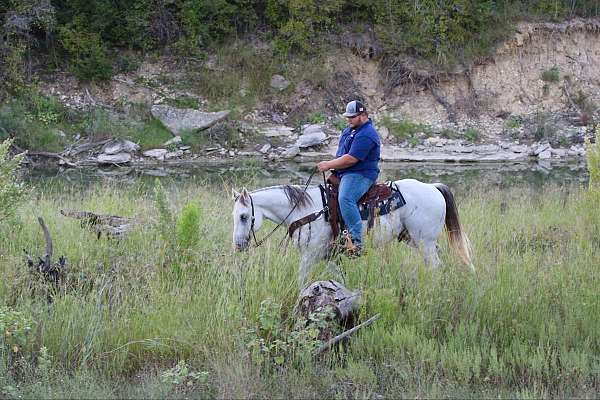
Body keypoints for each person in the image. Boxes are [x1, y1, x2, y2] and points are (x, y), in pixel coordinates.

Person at [317, 100, 381, 253]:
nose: (349, 120)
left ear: (363, 115)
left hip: (360, 173)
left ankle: (356, 242)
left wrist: (328, 165)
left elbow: (352, 158)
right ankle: (335, 232)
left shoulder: (367, 134)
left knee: (346, 197)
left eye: (352, 117)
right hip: (345, 172)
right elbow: (342, 154)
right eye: (348, 117)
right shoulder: (350, 130)